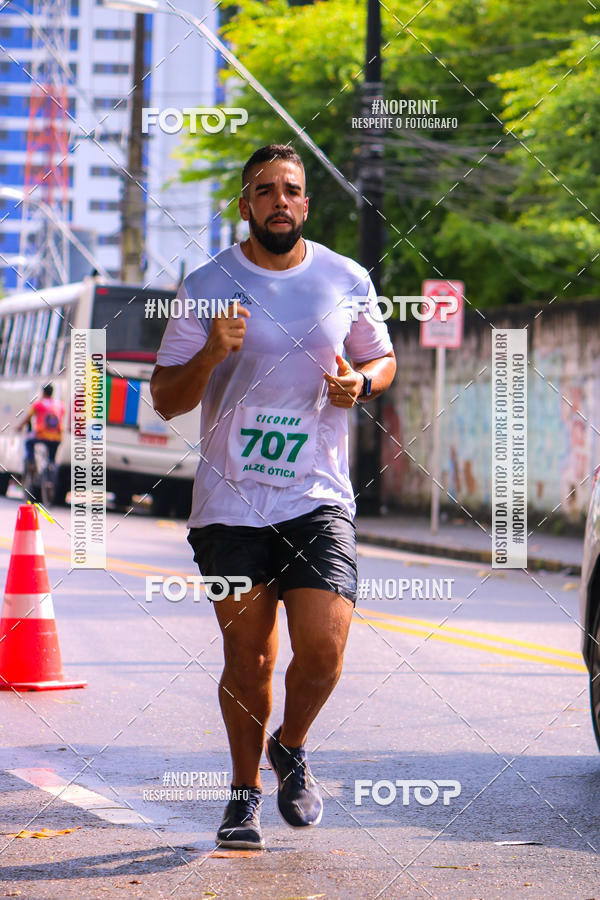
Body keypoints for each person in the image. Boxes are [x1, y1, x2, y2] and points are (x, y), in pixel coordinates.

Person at [150, 144, 396, 850]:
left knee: (323, 647)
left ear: (306, 205)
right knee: (249, 659)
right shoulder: (206, 284)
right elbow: (166, 400)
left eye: (291, 190)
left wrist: (365, 384)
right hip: (230, 506)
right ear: (245, 205)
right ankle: (242, 793)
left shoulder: (343, 277)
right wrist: (210, 354)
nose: (279, 201)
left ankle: (289, 744)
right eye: (265, 190)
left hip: (317, 496)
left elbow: (380, 358)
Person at [17, 383, 65, 478]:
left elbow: (28, 419)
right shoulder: (60, 404)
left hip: (41, 436)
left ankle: (31, 462)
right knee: (51, 458)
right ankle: (51, 470)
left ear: (43, 393)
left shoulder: (38, 404)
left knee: (29, 442)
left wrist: (19, 427)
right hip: (57, 437)